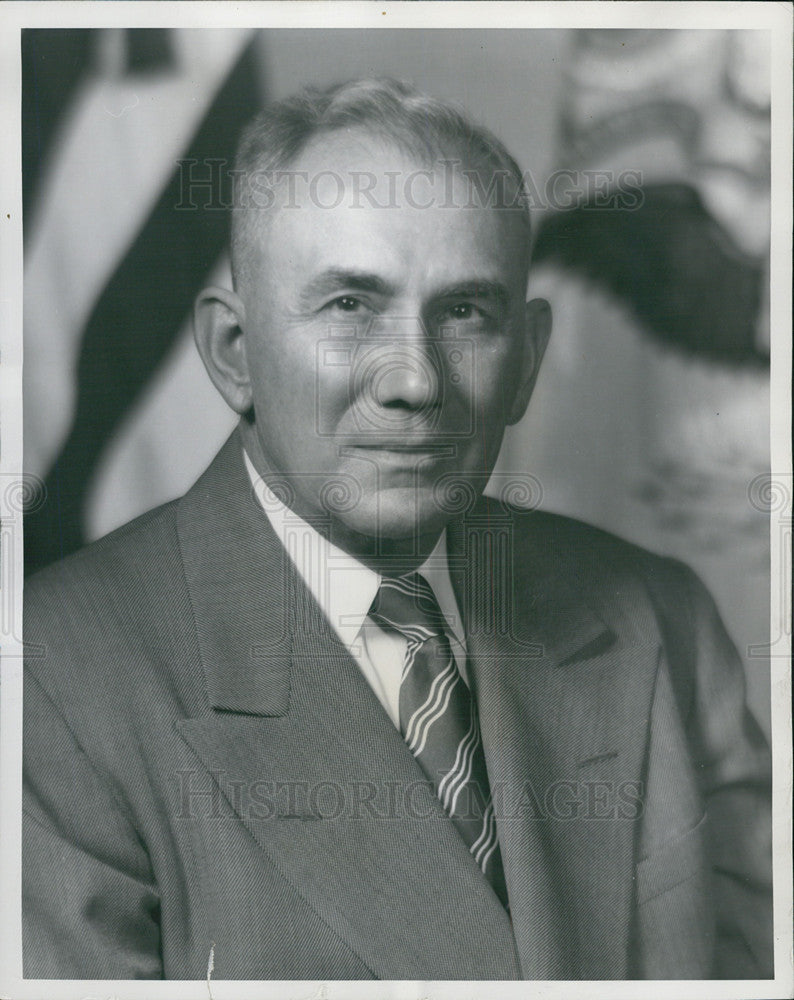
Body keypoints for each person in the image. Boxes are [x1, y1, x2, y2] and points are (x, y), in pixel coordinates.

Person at [22, 78, 772, 981]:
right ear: (234, 354)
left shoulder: (661, 623)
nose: (414, 381)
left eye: (465, 312)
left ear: (528, 360)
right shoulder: (49, 687)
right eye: (349, 307)